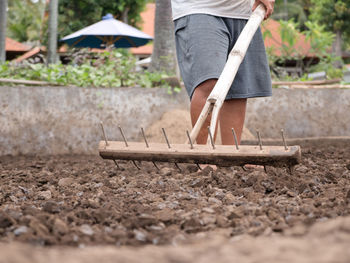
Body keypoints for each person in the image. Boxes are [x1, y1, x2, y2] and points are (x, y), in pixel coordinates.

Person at [171, 0, 275, 145]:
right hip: (201, 8)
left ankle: (231, 156)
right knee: (209, 83)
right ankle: (205, 158)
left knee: (237, 89)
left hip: (243, 12)